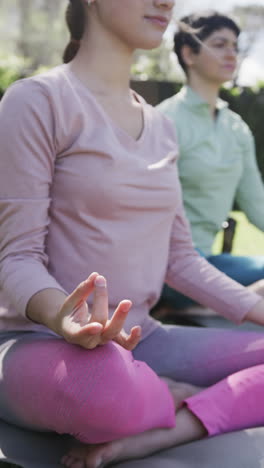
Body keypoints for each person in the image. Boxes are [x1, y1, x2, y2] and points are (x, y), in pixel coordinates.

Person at [2, 2, 264, 468]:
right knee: (99, 387)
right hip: (39, 342)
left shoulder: (161, 127)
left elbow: (180, 259)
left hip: (147, 337)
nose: (165, 1)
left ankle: (169, 424)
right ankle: (169, 395)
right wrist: (66, 319)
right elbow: (14, 257)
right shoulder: (37, 100)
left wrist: (257, 308)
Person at [157, 11, 264, 310]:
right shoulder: (163, 122)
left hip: (210, 262)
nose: (231, 53)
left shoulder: (237, 128)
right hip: (168, 270)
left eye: (235, 46)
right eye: (219, 44)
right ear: (189, 54)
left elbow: (257, 205)